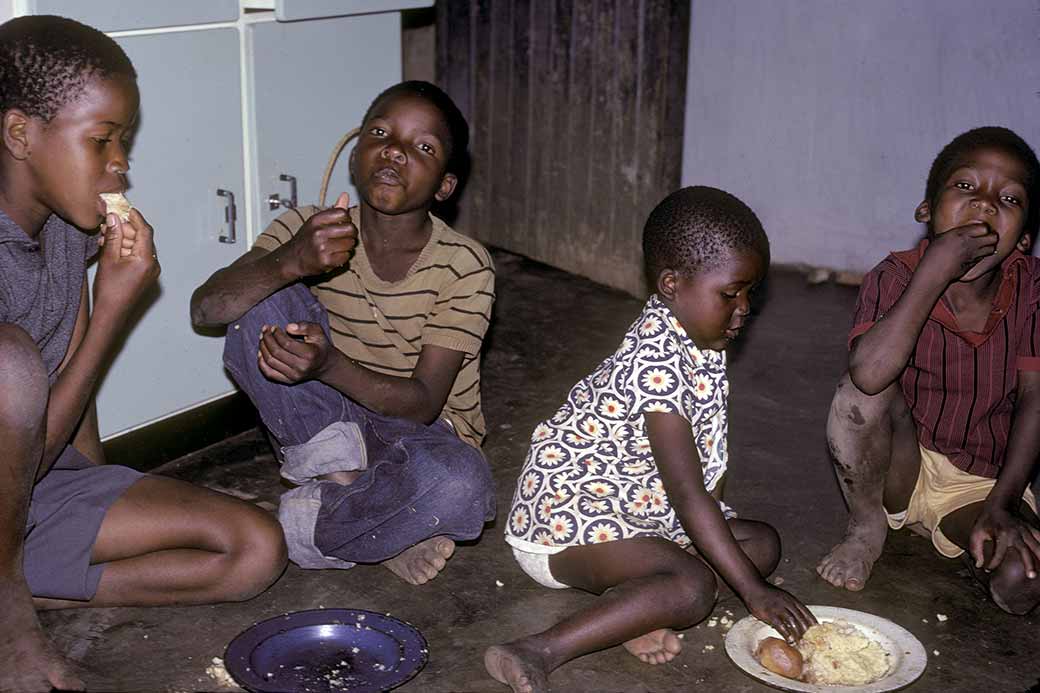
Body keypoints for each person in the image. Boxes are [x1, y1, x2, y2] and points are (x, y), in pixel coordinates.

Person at [0, 15, 288, 692]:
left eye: (123, 141)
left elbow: (62, 413)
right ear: (20, 133)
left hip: (33, 492)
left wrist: (101, 488)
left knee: (256, 551)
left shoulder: (73, 230)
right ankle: (10, 623)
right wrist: (113, 311)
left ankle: (26, 587)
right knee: (9, 363)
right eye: (101, 141)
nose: (119, 163)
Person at [485, 187, 816, 693]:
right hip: (568, 526)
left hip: (639, 516)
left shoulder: (702, 336)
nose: (744, 307)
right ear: (671, 285)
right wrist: (755, 594)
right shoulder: (655, 363)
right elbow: (687, 496)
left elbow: (709, 469)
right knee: (694, 586)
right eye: (731, 293)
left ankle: (633, 609)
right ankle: (535, 650)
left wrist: (743, 569)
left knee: (761, 545)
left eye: (751, 292)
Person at [191, 80, 496, 586]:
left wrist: (328, 363)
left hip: (419, 431)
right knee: (254, 299)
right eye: (381, 132)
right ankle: (360, 502)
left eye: (423, 147)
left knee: (462, 484)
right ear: (357, 155)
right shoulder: (311, 226)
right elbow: (209, 308)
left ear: (444, 186)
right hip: (329, 420)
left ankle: (322, 525)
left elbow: (422, 403)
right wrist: (291, 261)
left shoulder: (464, 265)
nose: (395, 150)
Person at [816, 126, 1040, 614]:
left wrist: (1002, 504)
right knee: (858, 394)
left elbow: (1035, 401)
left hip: (981, 482)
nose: (984, 205)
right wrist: (934, 272)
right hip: (899, 459)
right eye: (965, 187)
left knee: (1021, 581)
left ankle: (966, 532)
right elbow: (870, 376)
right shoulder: (892, 277)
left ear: (1023, 240)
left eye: (1008, 197)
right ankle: (867, 525)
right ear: (925, 212)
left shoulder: (1034, 292)